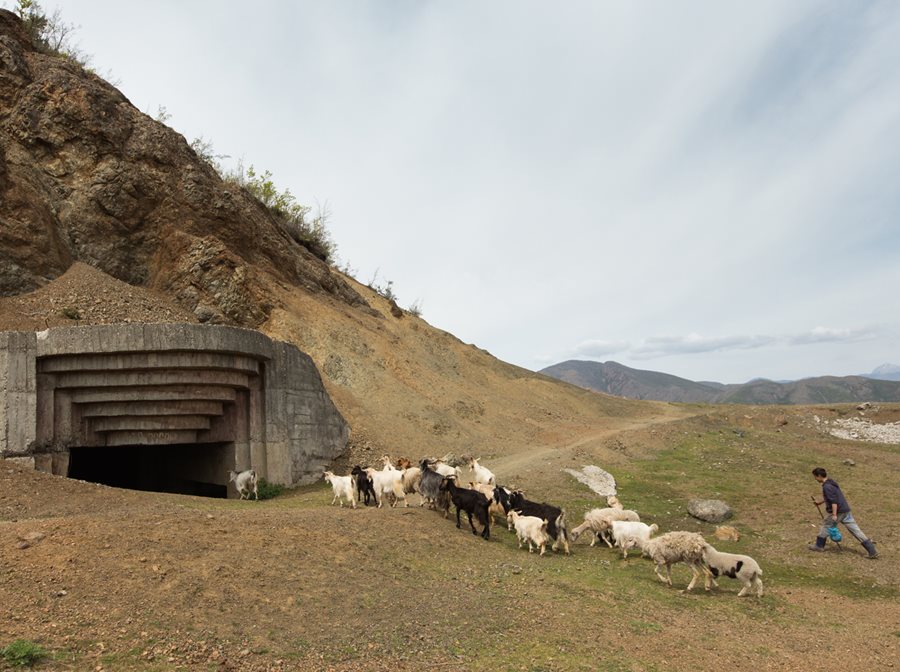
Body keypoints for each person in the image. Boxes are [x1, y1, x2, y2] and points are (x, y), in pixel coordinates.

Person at [809, 467, 878, 558]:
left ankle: (819, 546)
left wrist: (834, 514)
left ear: (819, 476)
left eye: (815, 477)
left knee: (825, 526)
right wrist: (820, 502)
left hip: (838, 511)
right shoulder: (831, 482)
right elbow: (831, 497)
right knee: (855, 530)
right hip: (846, 510)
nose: (815, 479)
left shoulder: (827, 486)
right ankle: (872, 551)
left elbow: (834, 501)